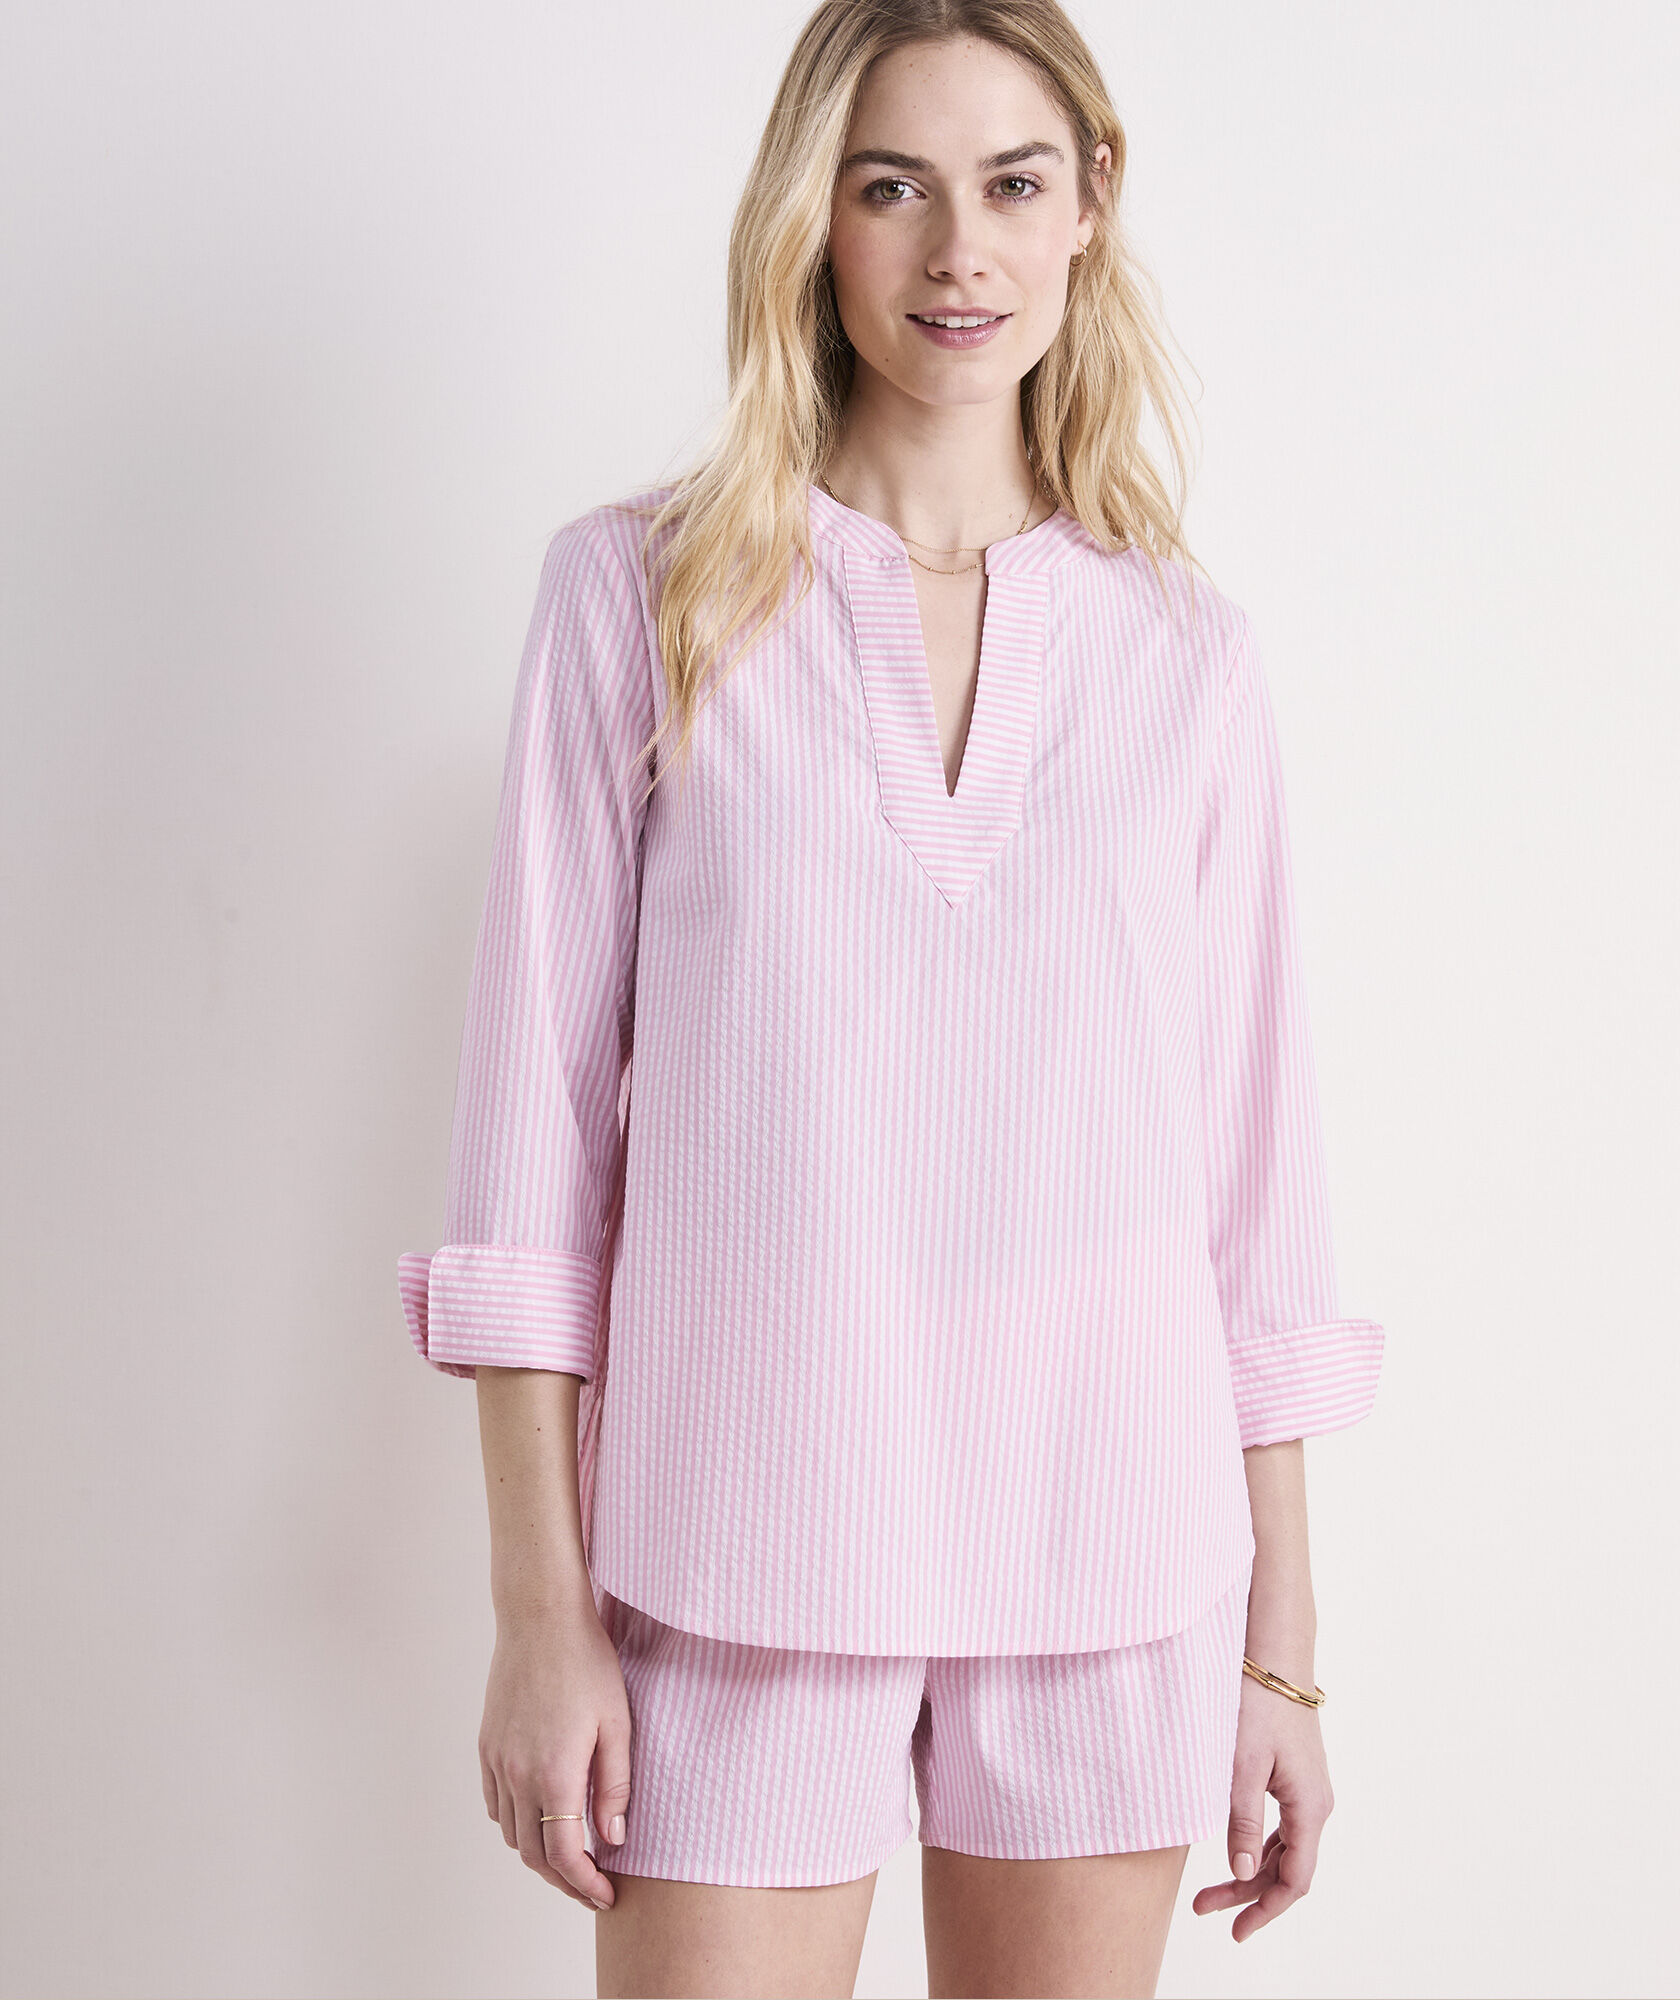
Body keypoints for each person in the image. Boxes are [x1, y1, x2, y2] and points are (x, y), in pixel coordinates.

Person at [396, 3, 1385, 1994]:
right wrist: (538, 1615)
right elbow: (529, 1174)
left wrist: (1281, 1652)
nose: (959, 251)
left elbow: (1247, 1196)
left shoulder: (1185, 655)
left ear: (1091, 202)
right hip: (737, 1560)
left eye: (1012, 184)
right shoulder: (639, 599)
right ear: (814, 221)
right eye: (891, 187)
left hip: (1114, 1564)